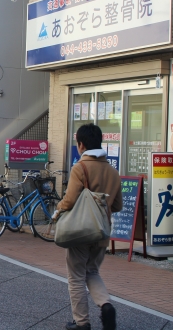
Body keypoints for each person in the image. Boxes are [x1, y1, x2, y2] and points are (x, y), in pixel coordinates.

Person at [56, 123, 122, 330]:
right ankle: (106, 305)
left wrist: (58, 208)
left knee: (76, 276)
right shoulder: (113, 171)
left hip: (81, 231)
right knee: (92, 271)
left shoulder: (80, 168)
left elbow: (69, 200)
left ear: (81, 145)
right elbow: (117, 205)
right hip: (102, 231)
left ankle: (82, 322)